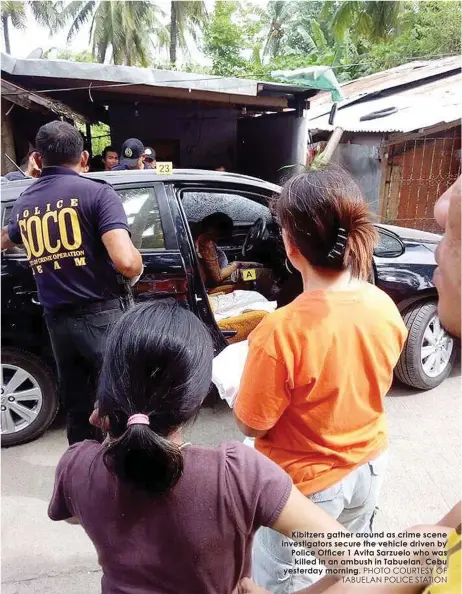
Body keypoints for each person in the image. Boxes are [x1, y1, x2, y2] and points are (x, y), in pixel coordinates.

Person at [237, 177, 462, 594]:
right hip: (368, 467)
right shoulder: (383, 306)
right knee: (351, 568)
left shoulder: (278, 332)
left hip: (305, 489)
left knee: (290, 580)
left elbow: (253, 424)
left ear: (290, 247)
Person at [48, 300, 350, 594]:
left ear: (109, 387)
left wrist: (113, 436)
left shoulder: (77, 467)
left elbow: (73, 514)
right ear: (196, 396)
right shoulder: (237, 476)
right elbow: (361, 563)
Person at [0, 121, 143, 445]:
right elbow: (124, 260)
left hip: (58, 323)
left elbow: (6, 239)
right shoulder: (97, 193)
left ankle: (82, 473)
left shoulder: (25, 202)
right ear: (84, 158)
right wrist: (138, 264)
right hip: (101, 317)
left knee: (78, 408)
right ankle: (127, 474)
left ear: (37, 158)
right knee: (121, 402)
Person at [195, 212, 242, 288]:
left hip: (213, 273)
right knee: (257, 274)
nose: (217, 241)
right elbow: (218, 277)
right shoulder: (205, 242)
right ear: (211, 230)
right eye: (219, 237)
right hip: (211, 285)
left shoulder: (194, 229)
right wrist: (235, 265)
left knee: (253, 266)